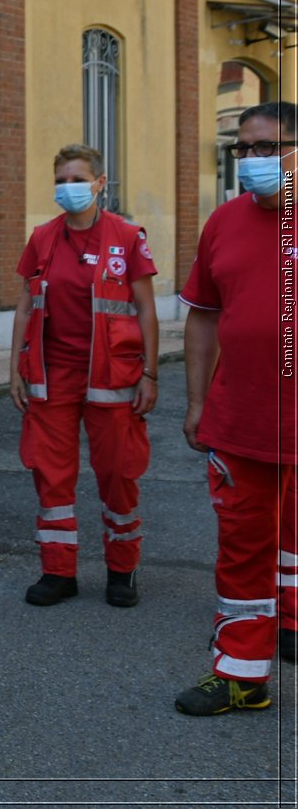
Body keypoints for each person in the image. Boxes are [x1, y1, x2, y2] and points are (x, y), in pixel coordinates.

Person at [173, 101, 298, 716]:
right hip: (242, 420)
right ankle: (242, 676)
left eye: (269, 147)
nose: (252, 160)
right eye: (243, 148)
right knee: (243, 550)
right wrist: (197, 401)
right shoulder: (223, 222)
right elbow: (203, 318)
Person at [10, 143, 158, 608]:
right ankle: (58, 572)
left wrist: (151, 373)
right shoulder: (43, 237)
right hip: (52, 376)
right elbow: (23, 303)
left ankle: (122, 569)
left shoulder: (128, 236)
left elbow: (147, 309)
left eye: (77, 179)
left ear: (100, 183)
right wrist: (16, 365)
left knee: (118, 472)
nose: (68, 188)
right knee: (51, 476)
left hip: (113, 375)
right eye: (61, 179)